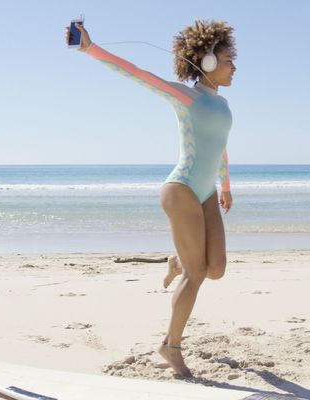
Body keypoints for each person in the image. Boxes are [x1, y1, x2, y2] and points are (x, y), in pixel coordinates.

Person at [65, 18, 237, 377]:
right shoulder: (186, 97)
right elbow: (138, 73)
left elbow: (219, 146)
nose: (233, 66)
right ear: (206, 62)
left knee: (216, 269)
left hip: (206, 192)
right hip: (182, 189)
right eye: (226, 59)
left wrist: (225, 185)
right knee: (197, 273)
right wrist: (90, 48)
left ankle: (176, 260)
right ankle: (170, 346)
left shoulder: (224, 107)